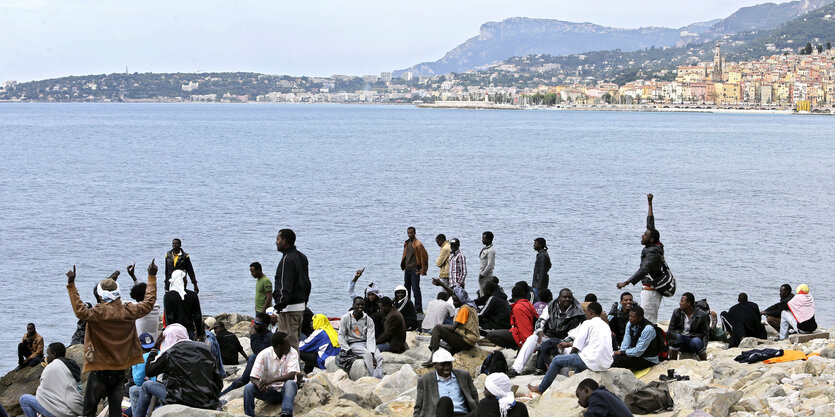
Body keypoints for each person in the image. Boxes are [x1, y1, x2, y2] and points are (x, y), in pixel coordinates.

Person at [66, 261, 157, 417]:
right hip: (120, 369)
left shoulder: (97, 312)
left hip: (99, 369)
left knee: (89, 411)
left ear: (100, 294)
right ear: (118, 292)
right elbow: (148, 303)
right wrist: (152, 277)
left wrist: (71, 285)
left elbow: (80, 310)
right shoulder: (128, 310)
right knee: (115, 411)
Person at [134, 323, 223, 416]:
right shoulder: (204, 348)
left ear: (167, 338)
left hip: (180, 399)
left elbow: (149, 371)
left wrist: (155, 348)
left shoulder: (170, 353)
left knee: (147, 385)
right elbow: (218, 381)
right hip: (208, 401)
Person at [529, 302, 613, 395]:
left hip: (593, 361)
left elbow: (577, 345)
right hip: (606, 363)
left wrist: (571, 356)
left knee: (557, 360)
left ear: (591, 312)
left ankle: (541, 388)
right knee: (580, 358)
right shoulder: (605, 325)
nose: (585, 314)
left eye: (587, 312)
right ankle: (575, 384)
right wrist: (570, 346)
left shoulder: (588, 323)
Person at [508, 289, 585, 377]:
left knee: (568, 350)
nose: (567, 299)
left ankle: (564, 375)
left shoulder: (577, 313)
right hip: (547, 336)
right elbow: (540, 321)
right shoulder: (551, 306)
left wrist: (561, 343)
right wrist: (540, 332)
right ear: (559, 298)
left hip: (563, 341)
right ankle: (516, 369)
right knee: (532, 339)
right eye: (564, 297)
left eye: (569, 297)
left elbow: (574, 334)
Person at [617, 193, 666, 324]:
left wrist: (626, 283)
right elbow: (650, 224)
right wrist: (650, 204)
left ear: (651, 239)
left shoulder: (653, 253)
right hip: (648, 288)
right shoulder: (655, 243)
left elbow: (643, 270)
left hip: (651, 290)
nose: (642, 236)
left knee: (648, 320)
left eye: (645, 235)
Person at [18, 342, 83, 417]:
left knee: (24, 399)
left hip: (58, 413)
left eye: (48, 354)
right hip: (71, 410)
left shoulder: (52, 367)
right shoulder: (72, 366)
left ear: (53, 355)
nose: (46, 357)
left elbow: (42, 391)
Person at [244, 331, 299, 417]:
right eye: (287, 344)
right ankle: (249, 415)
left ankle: (286, 413)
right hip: (269, 391)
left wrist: (270, 380)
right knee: (248, 388)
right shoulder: (263, 354)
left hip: (286, 391)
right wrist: (259, 385)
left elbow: (292, 375)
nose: (290, 346)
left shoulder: (292, 352)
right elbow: (253, 377)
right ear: (279, 346)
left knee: (290, 383)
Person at [273, 228, 311, 350]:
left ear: (284, 241)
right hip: (300, 306)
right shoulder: (302, 257)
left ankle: (292, 369)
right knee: (294, 340)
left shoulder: (287, 260)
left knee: (287, 343)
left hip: (289, 308)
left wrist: (279, 306)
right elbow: (307, 283)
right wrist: (304, 302)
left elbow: (285, 286)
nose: (276, 242)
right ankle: (294, 367)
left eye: (277, 239)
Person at [424, 280, 479, 364]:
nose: (454, 303)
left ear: (461, 300)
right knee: (443, 331)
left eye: (456, 301)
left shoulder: (464, 309)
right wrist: (442, 284)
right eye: (453, 301)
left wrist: (440, 326)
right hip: (470, 340)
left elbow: (453, 327)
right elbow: (454, 293)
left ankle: (433, 358)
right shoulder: (470, 305)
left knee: (438, 328)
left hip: (466, 341)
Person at [220, 312, 275, 395]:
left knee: (252, 358)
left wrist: (252, 335)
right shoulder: (259, 333)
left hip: (267, 365)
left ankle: (225, 393)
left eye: (257, 323)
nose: (254, 325)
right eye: (254, 322)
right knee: (240, 379)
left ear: (265, 325)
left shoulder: (268, 337)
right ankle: (222, 394)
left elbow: (258, 352)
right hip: (259, 362)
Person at [413, 348, 479, 417]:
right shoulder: (425, 380)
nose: (447, 368)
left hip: (463, 414)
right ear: (434, 365)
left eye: (449, 364)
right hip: (440, 415)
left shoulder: (463, 375)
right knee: (445, 401)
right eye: (443, 365)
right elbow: (418, 407)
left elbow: (474, 397)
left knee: (485, 404)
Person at [338, 297, 384, 378]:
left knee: (378, 357)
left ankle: (379, 376)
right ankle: (373, 377)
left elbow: (371, 337)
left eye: (362, 305)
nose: (360, 306)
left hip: (365, 342)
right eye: (358, 304)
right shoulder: (345, 318)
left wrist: (372, 352)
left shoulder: (368, 320)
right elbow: (341, 335)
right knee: (367, 355)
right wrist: (347, 349)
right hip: (354, 343)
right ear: (353, 305)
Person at [487, 284, 539, 350]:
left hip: (522, 337)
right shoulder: (528, 303)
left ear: (512, 296)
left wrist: (526, 345)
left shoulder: (518, 308)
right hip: (529, 334)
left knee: (491, 335)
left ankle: (516, 347)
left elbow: (524, 329)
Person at [611, 305, 659, 370]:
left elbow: (638, 351)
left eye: (632, 317)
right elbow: (626, 343)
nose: (629, 318)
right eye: (629, 316)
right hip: (635, 355)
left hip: (647, 359)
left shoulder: (648, 329)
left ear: (639, 318)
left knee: (616, 360)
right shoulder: (629, 324)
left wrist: (621, 353)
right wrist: (621, 353)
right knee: (613, 357)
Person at [667, 292, 710, 361]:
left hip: (693, 342)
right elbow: (671, 330)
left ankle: (704, 362)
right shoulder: (676, 312)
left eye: (682, 301)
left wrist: (704, 347)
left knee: (697, 341)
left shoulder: (702, 315)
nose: (679, 303)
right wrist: (669, 345)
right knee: (677, 336)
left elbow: (705, 334)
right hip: (680, 342)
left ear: (689, 303)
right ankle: (673, 361)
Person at [163, 269, 203, 340]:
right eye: (185, 279)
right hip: (189, 332)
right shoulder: (193, 295)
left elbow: (169, 318)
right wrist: (199, 332)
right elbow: (197, 316)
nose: (186, 281)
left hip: (175, 333)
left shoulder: (168, 296)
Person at [128, 263, 161, 339]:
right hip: (154, 343)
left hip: (141, 343)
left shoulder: (137, 309)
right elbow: (147, 293)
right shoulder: (155, 307)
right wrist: (134, 277)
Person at [401, 226, 429, 314]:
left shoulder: (418, 244)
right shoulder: (407, 243)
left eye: (411, 233)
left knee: (416, 289)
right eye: (408, 233)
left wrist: (422, 270)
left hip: (414, 270)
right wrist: (404, 266)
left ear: (414, 233)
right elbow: (406, 256)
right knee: (406, 290)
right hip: (407, 269)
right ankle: (407, 307)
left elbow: (425, 257)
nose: (409, 234)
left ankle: (418, 309)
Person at [128, 333, 157, 417]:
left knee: (132, 390)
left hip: (153, 389)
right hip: (163, 387)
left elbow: (138, 381)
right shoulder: (160, 352)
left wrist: (134, 363)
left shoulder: (141, 358)